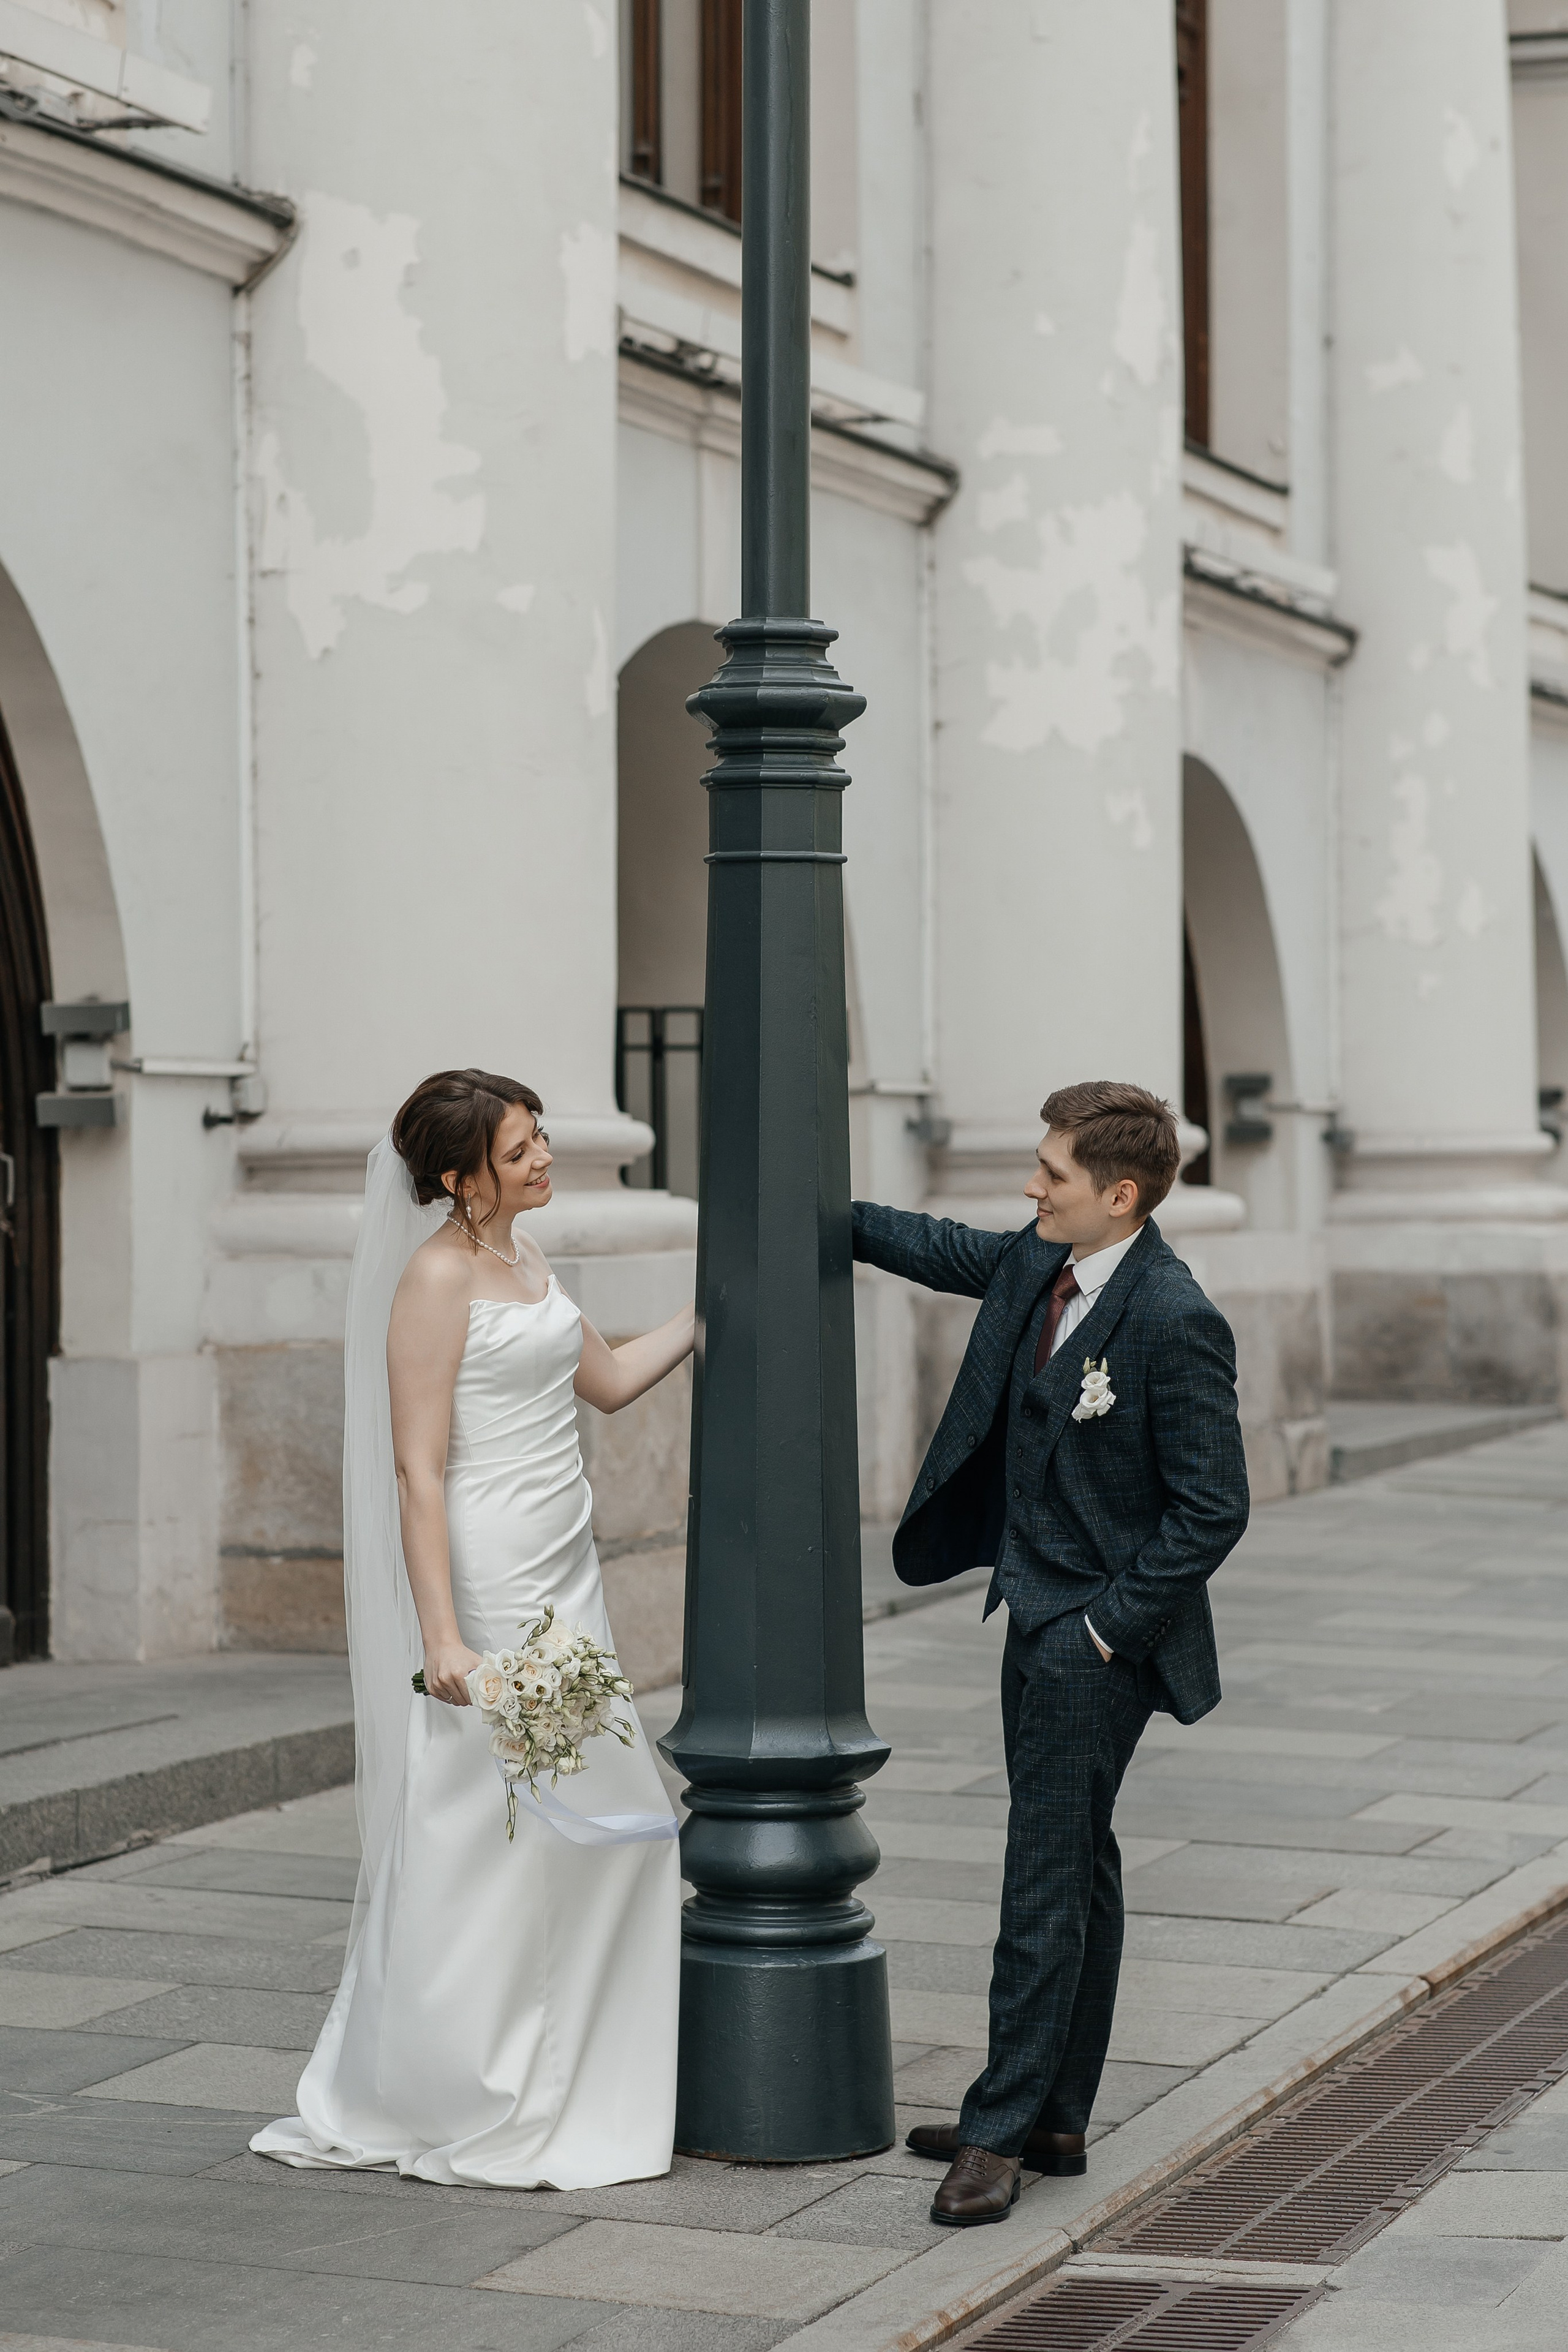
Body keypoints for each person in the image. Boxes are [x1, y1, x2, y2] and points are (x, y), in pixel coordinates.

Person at [252, 1068, 694, 2189]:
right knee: (506, 1828)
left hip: (566, 1571)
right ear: (459, 1178)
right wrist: (441, 1637)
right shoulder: (436, 1277)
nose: (546, 1158)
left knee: (586, 1832)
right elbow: (416, 1468)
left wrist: (708, 1312)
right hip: (492, 1580)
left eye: (543, 1138)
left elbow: (603, 1380)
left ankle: (574, 2080)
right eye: (521, 1150)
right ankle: (478, 2085)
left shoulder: (526, 1257)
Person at [851, 1080, 1250, 2227]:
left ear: (1117, 1196)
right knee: (1079, 1860)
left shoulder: (1174, 1316)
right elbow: (935, 1246)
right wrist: (808, 1204)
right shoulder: (1039, 1262)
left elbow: (1212, 1509)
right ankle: (1056, 2117)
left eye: (1052, 1173)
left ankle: (995, 2134)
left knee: (1041, 1873)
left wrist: (1103, 1631)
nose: (1031, 1186)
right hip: (1033, 1611)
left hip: (1096, 1638)